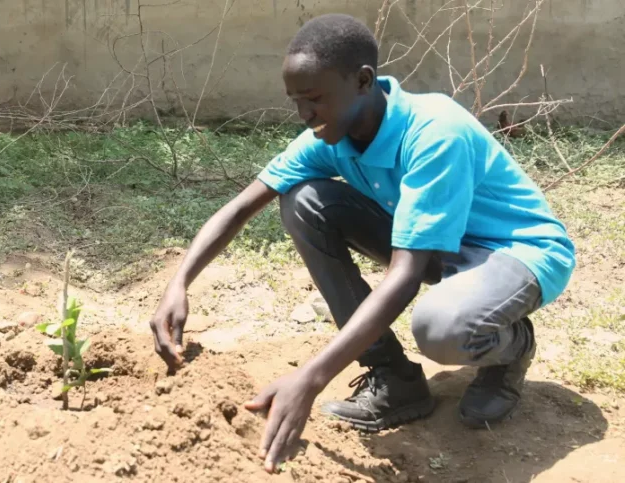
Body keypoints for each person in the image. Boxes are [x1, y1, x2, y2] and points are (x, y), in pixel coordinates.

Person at [147, 13, 575, 472]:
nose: (304, 116)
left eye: (314, 99)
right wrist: (180, 282)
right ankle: (395, 379)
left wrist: (310, 379)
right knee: (305, 201)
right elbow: (241, 206)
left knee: (441, 328)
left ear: (363, 81)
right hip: (441, 246)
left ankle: (510, 345)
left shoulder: (434, 133)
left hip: (515, 253)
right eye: (295, 101)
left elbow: (405, 275)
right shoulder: (330, 135)